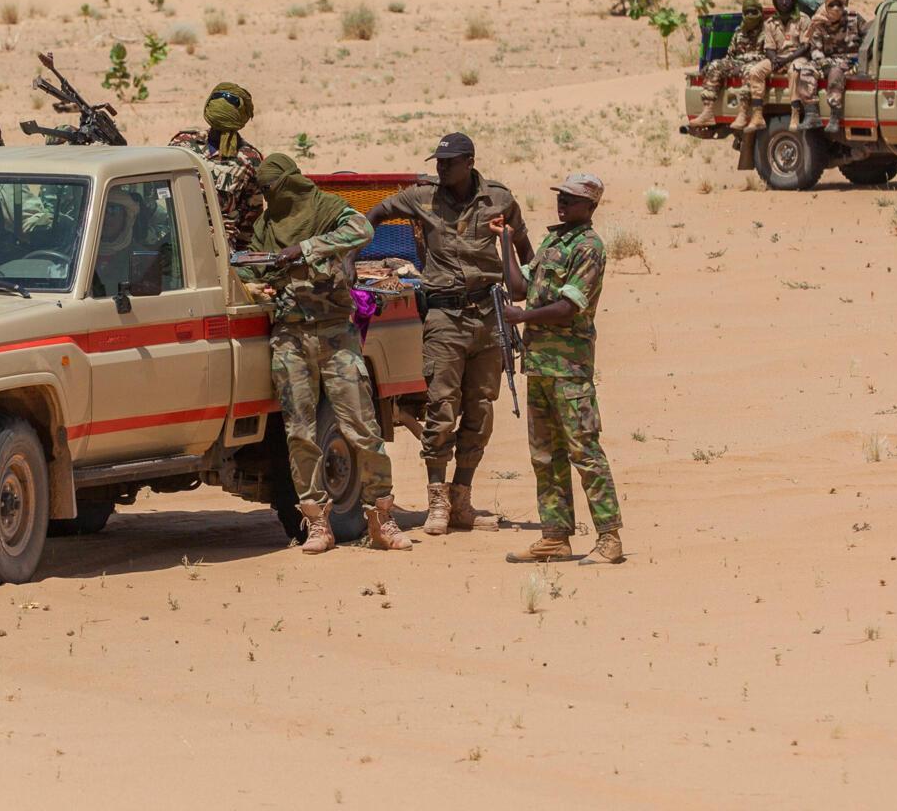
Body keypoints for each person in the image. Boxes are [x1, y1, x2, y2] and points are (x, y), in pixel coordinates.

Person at [238, 155, 411, 555]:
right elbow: (252, 272)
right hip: (290, 337)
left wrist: (306, 248)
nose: (269, 199)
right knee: (300, 434)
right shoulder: (266, 227)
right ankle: (317, 525)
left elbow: (362, 228)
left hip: (336, 335)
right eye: (264, 193)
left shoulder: (325, 207)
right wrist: (254, 285)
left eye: (273, 190)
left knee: (362, 428)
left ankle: (382, 519)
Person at [366, 133, 532, 536]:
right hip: (444, 315)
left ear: (470, 162)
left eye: (449, 163)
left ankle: (462, 498)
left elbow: (526, 253)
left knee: (480, 406)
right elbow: (374, 213)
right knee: (441, 406)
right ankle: (436, 502)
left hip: (488, 315)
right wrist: (353, 253)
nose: (441, 169)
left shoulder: (499, 198)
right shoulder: (421, 197)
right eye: (438, 162)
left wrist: (507, 245)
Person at [494, 174, 622, 566]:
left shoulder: (589, 248)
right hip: (540, 366)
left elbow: (569, 307)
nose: (563, 203)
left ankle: (609, 538)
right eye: (562, 196)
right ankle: (555, 537)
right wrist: (506, 243)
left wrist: (522, 316)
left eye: (572, 198)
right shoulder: (553, 242)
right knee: (545, 455)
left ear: (591, 207)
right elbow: (519, 286)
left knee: (585, 452)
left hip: (569, 368)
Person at [169, 82, 265, 249]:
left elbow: (250, 216)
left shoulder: (249, 159)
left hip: (216, 245)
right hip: (174, 234)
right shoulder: (183, 142)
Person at [739, 0, 810, 139]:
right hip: (778, 57)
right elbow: (769, 47)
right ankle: (757, 114)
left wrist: (786, 59)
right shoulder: (770, 23)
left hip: (798, 56)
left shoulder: (802, 19)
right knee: (755, 71)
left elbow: (805, 46)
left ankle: (795, 113)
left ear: (793, 1)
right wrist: (774, 59)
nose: (784, 1)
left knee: (794, 70)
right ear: (775, 2)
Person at [788, 0, 860, 134]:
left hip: (848, 60)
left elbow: (867, 35)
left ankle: (834, 117)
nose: (835, 8)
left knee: (835, 73)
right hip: (825, 59)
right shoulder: (819, 23)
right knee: (806, 69)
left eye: (839, 5)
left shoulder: (853, 19)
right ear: (826, 7)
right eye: (832, 5)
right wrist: (823, 63)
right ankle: (811, 114)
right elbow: (815, 48)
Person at [693, 0, 766, 134]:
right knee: (715, 65)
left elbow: (768, 56)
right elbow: (730, 54)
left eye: (753, 12)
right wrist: (728, 65)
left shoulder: (766, 31)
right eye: (747, 12)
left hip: (756, 64)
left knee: (750, 70)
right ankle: (708, 111)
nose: (750, 15)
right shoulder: (739, 31)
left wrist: (744, 62)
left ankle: (743, 114)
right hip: (738, 62)